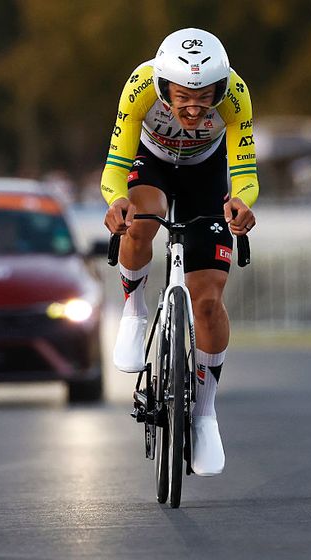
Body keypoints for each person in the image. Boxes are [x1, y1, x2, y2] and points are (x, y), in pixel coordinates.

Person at [100, 28, 258, 476]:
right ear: (162, 87)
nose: (193, 106)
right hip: (151, 164)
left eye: (205, 95)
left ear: (221, 88)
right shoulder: (138, 89)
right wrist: (116, 202)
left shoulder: (237, 96)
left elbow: (245, 172)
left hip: (207, 175)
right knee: (140, 218)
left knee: (207, 301)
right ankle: (134, 309)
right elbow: (113, 170)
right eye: (183, 95)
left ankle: (206, 412)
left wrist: (243, 202)